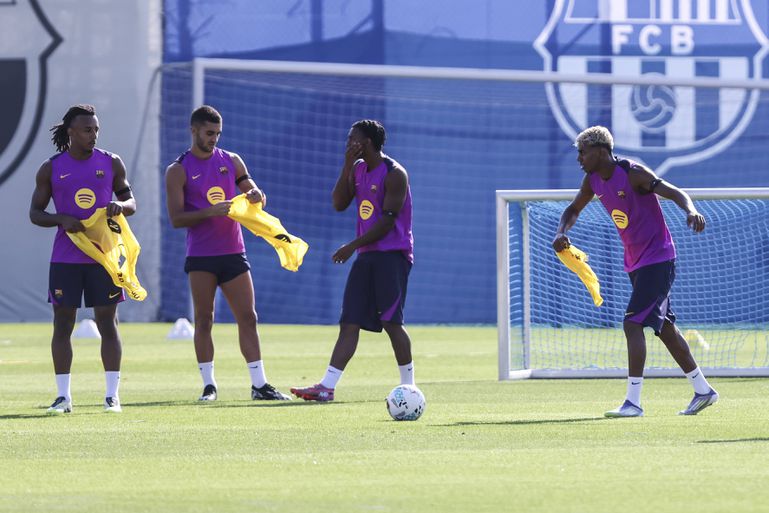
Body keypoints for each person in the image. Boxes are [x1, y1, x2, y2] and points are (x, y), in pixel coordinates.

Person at [553, 125, 718, 417]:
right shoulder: (592, 180)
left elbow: (674, 191)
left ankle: (633, 402)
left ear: (601, 151)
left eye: (583, 152)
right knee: (664, 328)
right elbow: (573, 209)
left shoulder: (633, 173)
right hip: (636, 263)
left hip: (659, 259)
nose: (579, 158)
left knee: (632, 323)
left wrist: (690, 210)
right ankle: (703, 390)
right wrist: (561, 231)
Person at [165, 105, 290, 402]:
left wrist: (257, 194)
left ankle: (259, 385)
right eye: (209, 133)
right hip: (202, 256)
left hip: (233, 251)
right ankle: (209, 385)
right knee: (204, 319)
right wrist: (211, 212)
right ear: (193, 130)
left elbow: (251, 189)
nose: (214, 140)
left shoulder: (231, 161)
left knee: (248, 317)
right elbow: (176, 219)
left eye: (218, 134)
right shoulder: (178, 170)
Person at [291, 119, 415, 402]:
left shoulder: (395, 173)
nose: (348, 143)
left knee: (391, 323)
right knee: (349, 321)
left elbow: (387, 223)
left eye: (352, 139)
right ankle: (327, 387)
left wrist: (351, 246)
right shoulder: (358, 169)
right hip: (367, 255)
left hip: (392, 256)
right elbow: (338, 203)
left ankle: (409, 387)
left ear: (367, 143)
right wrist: (347, 165)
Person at [29, 104, 136, 414]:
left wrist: (121, 206)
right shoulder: (51, 168)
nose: (94, 134)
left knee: (108, 322)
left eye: (96, 129)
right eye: (87, 129)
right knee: (63, 324)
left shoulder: (111, 163)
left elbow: (131, 199)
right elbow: (35, 214)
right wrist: (61, 219)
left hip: (104, 257)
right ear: (71, 132)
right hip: (66, 259)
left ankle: (112, 396)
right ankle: (64, 397)